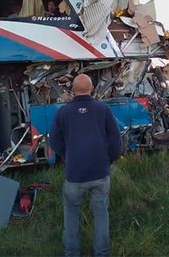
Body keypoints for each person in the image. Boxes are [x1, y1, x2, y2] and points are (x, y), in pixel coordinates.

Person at [50, 74, 122, 257]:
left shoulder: (63, 112)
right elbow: (116, 142)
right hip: (100, 174)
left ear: (73, 90)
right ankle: (102, 253)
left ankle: (71, 253)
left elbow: (54, 142)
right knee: (101, 214)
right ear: (91, 89)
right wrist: (108, 161)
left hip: (74, 175)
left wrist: (69, 157)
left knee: (71, 215)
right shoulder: (103, 109)